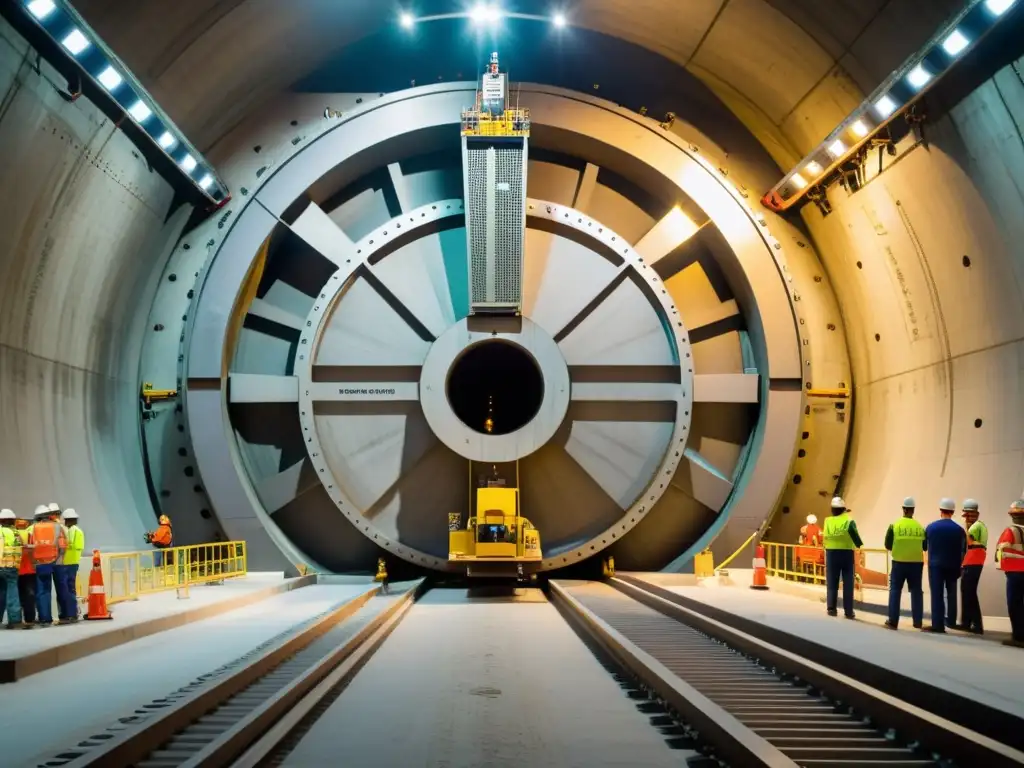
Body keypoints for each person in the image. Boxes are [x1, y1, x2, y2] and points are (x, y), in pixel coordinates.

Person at [923, 498, 967, 633]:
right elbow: (964, 550)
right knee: (951, 593)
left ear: (941, 511)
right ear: (952, 512)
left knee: (937, 594)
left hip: (935, 566)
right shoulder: (959, 530)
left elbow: (924, 546)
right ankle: (952, 622)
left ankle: (938, 624)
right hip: (953, 565)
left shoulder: (931, 527)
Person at [883, 497, 925, 630]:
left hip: (899, 563)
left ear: (903, 509)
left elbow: (887, 545)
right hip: (916, 564)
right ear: (913, 510)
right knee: (916, 592)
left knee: (895, 590)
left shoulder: (894, 525)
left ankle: (893, 621)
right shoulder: (920, 527)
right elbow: (925, 546)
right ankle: (917, 622)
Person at [28, 505, 67, 627]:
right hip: (55, 562)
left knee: (43, 592)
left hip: (40, 564)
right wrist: (58, 559)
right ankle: (65, 614)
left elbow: (30, 548)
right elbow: (63, 546)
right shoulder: (57, 527)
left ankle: (45, 618)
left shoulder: (32, 528)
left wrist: (33, 562)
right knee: (61, 589)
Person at [823, 496, 862, 619]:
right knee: (848, 583)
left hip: (831, 553)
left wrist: (827, 547)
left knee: (832, 582)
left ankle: (831, 609)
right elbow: (855, 536)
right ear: (843, 509)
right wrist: (859, 545)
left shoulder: (827, 521)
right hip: (846, 554)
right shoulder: (849, 520)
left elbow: (825, 537)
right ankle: (849, 611)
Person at [994, 499, 1024, 647]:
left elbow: (1002, 551)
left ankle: (1018, 636)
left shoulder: (1010, 531)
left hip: (1015, 572)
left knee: (1015, 604)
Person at [956, 499, 987, 634]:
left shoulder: (974, 527)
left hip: (972, 562)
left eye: (967, 516)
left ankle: (973, 624)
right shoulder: (981, 525)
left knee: (969, 592)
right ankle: (968, 622)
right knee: (969, 592)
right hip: (975, 562)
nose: (966, 519)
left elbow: (968, 543)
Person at [56, 509, 85, 623]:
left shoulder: (72, 530)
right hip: (73, 562)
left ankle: (70, 614)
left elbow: (69, 544)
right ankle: (71, 613)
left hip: (68, 563)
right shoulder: (78, 530)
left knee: (67, 589)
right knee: (71, 588)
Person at [0, 509, 26, 629]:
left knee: (1, 592)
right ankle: (14, 620)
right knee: (12, 593)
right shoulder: (15, 533)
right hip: (11, 567)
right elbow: (22, 546)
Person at [16, 513, 38, 627]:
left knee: (18, 595)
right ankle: (30, 618)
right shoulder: (30, 535)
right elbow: (34, 552)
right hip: (30, 570)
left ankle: (17, 619)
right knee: (30, 595)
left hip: (17, 569)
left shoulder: (14, 535)